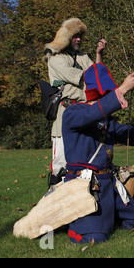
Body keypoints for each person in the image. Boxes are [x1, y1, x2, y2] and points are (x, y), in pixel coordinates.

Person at [61, 63, 134, 244]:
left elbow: (127, 133)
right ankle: (73, 226)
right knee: (95, 238)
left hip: (109, 185)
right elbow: (91, 114)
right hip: (86, 187)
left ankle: (105, 219)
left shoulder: (105, 118)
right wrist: (122, 90)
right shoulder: (72, 113)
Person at [43, 18, 107, 186]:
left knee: (85, 163)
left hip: (85, 115)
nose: (78, 39)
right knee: (61, 166)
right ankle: (54, 204)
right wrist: (93, 82)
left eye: (80, 35)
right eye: (74, 36)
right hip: (65, 115)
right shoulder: (55, 58)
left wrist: (99, 54)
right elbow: (84, 78)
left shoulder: (83, 56)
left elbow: (97, 75)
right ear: (66, 37)